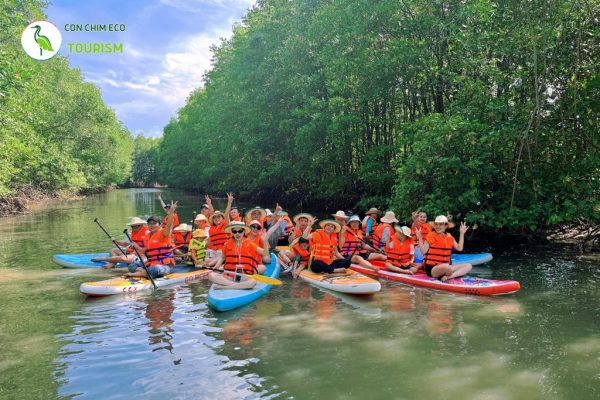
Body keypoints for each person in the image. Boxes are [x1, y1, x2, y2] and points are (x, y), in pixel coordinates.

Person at [124, 201, 178, 279]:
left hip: (165, 265)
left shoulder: (163, 233)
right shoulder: (147, 236)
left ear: (159, 224)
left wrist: (171, 213)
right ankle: (144, 272)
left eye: (154, 223)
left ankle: (139, 273)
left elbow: (169, 226)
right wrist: (136, 246)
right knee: (132, 266)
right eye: (150, 223)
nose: (151, 225)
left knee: (155, 269)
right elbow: (144, 251)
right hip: (151, 263)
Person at [208, 221, 268, 290]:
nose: (237, 233)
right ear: (232, 233)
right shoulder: (227, 244)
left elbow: (265, 253)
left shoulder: (250, 243)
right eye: (234, 231)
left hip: (244, 276)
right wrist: (216, 267)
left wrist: (265, 241)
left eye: (240, 231)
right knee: (211, 275)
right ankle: (238, 286)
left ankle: (224, 287)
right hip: (229, 276)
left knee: (253, 282)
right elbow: (222, 257)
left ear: (244, 232)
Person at [415, 215, 472, 282]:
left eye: (440, 224)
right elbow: (423, 251)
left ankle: (450, 276)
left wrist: (462, 234)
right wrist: (420, 237)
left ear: (445, 226)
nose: (437, 226)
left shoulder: (449, 236)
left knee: (468, 266)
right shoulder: (431, 235)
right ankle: (452, 273)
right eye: (436, 224)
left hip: (446, 267)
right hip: (432, 268)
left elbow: (459, 248)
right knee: (447, 267)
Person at [204, 193, 234, 268]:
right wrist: (209, 204)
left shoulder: (225, 225)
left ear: (222, 218)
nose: (216, 218)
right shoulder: (212, 227)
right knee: (205, 258)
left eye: (219, 217)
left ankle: (209, 265)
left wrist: (229, 202)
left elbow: (226, 214)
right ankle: (211, 262)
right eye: (215, 218)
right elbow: (212, 213)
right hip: (214, 250)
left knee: (219, 256)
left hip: (223, 250)